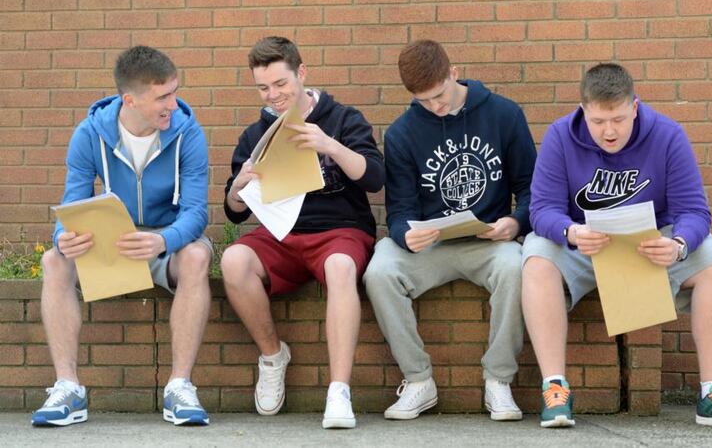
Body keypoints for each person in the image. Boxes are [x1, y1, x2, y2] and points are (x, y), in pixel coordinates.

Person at [522, 63, 712, 430]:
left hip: (648, 248)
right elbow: (542, 210)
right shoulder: (560, 136)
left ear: (634, 106)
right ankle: (555, 388)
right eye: (598, 121)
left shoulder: (667, 135)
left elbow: (693, 210)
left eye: (618, 118)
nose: (609, 131)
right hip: (586, 247)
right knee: (535, 255)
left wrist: (678, 244)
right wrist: (570, 232)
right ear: (584, 110)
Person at [33, 46, 212, 427]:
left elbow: (197, 212)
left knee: (197, 256)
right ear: (129, 99)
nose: (173, 104)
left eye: (174, 91)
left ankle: (180, 387)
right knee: (54, 259)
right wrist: (64, 236)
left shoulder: (188, 132)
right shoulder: (88, 134)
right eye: (162, 96)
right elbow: (72, 202)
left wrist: (165, 240)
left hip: (168, 242)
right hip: (115, 242)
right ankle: (68, 388)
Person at [363, 39, 536, 422]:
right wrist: (406, 232)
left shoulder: (504, 115)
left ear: (453, 73)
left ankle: (498, 381)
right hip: (431, 246)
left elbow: (530, 189)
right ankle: (418, 380)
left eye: (439, 95)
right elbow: (401, 210)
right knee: (379, 271)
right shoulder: (402, 133)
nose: (436, 107)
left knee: (517, 267)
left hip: (488, 241)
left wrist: (515, 221)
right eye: (424, 101)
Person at [220, 36, 384, 429]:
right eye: (263, 87)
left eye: (281, 84)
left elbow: (376, 179)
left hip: (340, 232)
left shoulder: (344, 119)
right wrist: (238, 187)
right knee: (233, 259)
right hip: (281, 235)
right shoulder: (255, 134)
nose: (273, 95)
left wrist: (331, 146)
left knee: (342, 267)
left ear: (302, 73)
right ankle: (273, 356)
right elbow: (234, 214)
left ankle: (339, 391)